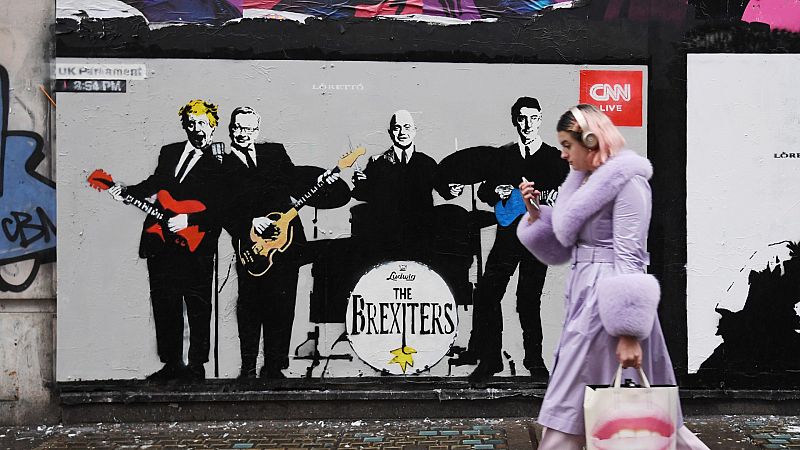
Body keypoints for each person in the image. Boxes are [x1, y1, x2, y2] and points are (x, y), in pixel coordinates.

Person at [516, 104, 708, 449]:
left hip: (608, 302)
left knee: (594, 410)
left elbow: (631, 256)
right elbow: (561, 248)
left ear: (590, 141)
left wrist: (629, 333)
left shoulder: (627, 182)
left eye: (567, 145)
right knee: (638, 420)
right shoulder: (581, 182)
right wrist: (535, 215)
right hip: (585, 297)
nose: (563, 154)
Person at [108, 99, 224, 382]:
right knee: (165, 303)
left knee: (197, 304)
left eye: (203, 123)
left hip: (197, 243)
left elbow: (224, 205)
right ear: (185, 126)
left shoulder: (221, 162)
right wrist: (126, 192)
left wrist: (189, 220)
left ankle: (196, 365)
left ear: (213, 126)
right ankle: (172, 363)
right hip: (161, 240)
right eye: (192, 123)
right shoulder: (169, 152)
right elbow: (155, 184)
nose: (197, 129)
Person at [222, 106, 338, 379]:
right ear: (230, 129)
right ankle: (248, 369)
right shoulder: (222, 165)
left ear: (257, 130)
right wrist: (250, 222)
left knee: (282, 307)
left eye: (249, 128)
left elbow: (295, 181)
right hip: (252, 248)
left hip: (286, 245)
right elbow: (221, 207)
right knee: (250, 308)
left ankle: (274, 367)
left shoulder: (274, 153)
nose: (242, 133)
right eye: (238, 128)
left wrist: (321, 180)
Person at [459, 97, 569, 381]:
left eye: (533, 118)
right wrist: (498, 191)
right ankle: (491, 360)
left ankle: (535, 361)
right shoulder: (503, 155)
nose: (527, 124)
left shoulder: (554, 159)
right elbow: (484, 192)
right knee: (488, 294)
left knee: (528, 300)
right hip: (507, 238)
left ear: (540, 120)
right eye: (522, 118)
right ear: (514, 120)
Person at [351, 109, 463, 260]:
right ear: (390, 132)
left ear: (414, 131)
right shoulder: (377, 162)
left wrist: (454, 190)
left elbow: (445, 191)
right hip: (387, 237)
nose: (402, 132)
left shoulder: (427, 162)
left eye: (407, 127)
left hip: (422, 236)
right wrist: (359, 183)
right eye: (397, 128)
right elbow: (364, 194)